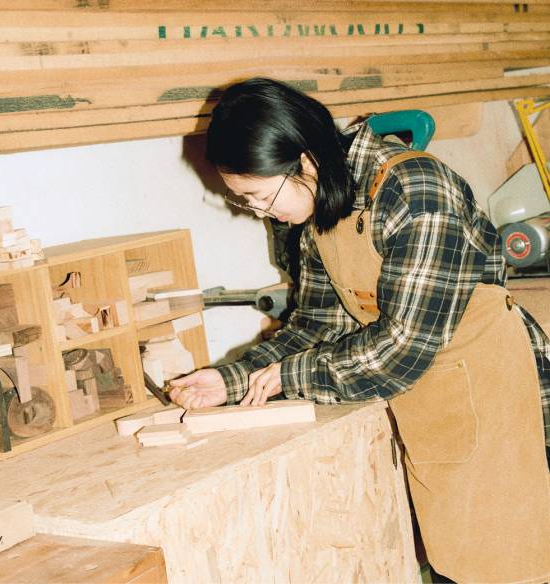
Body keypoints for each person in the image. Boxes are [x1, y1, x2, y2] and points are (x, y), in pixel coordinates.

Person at [169, 78, 550, 583]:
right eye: (244, 202)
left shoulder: (416, 191)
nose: (261, 213)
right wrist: (230, 379)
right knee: (455, 563)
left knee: (509, 563)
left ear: (305, 162)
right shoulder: (325, 208)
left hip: (488, 395)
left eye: (259, 196)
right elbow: (314, 328)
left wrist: (291, 376)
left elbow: (403, 348)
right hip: (431, 407)